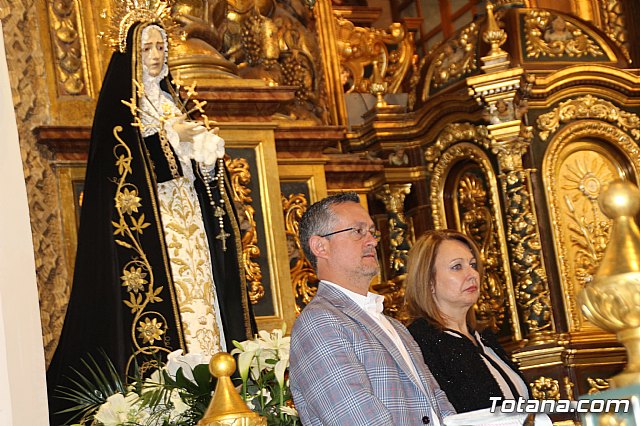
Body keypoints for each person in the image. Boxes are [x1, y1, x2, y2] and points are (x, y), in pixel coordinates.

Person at [46, 18, 256, 425]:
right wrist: (171, 140)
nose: (157, 56)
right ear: (130, 56)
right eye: (147, 49)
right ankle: (173, 400)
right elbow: (128, 169)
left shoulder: (174, 102)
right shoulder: (123, 111)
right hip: (155, 230)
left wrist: (208, 161)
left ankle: (217, 393)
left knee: (203, 302)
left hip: (191, 227)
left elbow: (204, 183)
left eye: (162, 47)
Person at [289, 192, 455, 425]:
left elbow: (438, 405)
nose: (373, 241)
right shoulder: (320, 323)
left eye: (372, 232)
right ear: (320, 246)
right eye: (358, 231)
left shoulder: (395, 326)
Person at [405, 230, 529, 413]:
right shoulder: (421, 341)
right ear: (429, 281)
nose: (472, 274)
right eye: (457, 267)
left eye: (472, 265)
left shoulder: (484, 337)